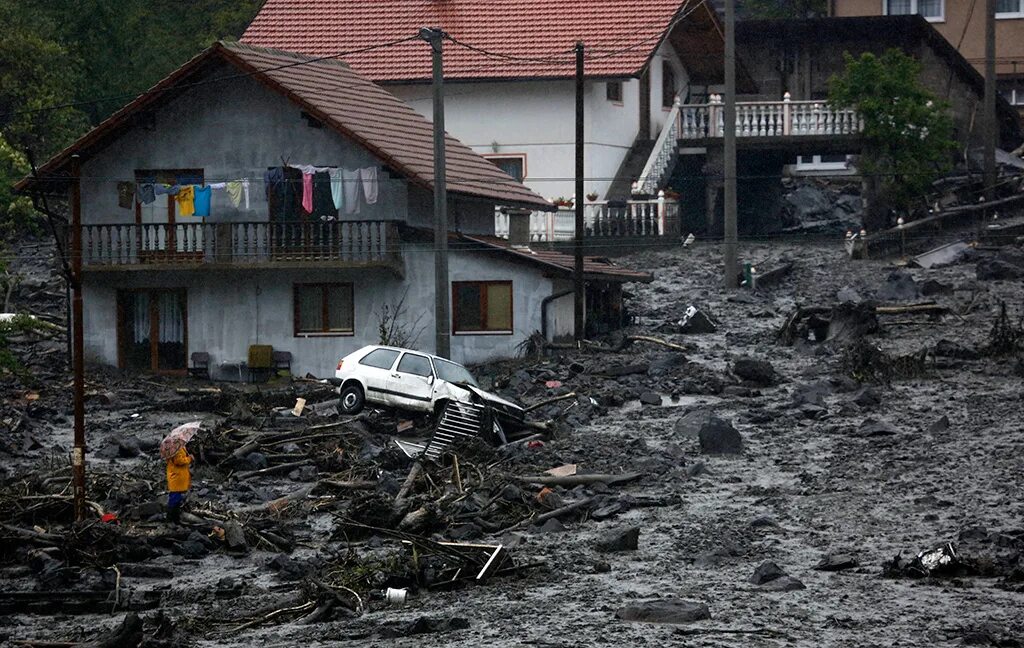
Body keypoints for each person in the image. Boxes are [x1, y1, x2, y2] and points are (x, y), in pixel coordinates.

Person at [166, 445, 193, 523]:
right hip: (176, 477)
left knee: (177, 498)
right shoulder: (175, 448)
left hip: (179, 476)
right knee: (175, 498)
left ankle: (175, 518)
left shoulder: (178, 447)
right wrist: (189, 458)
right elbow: (179, 461)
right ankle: (171, 519)